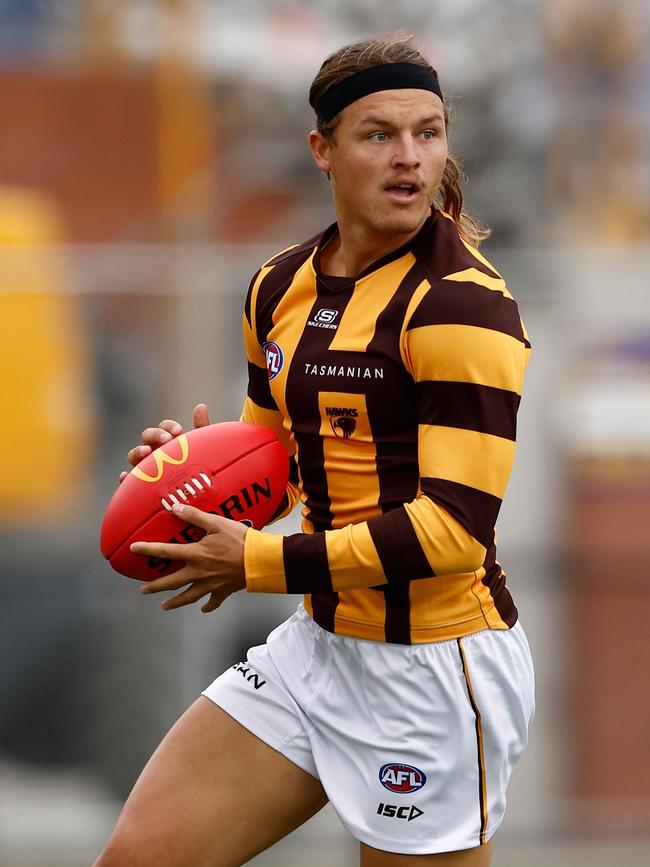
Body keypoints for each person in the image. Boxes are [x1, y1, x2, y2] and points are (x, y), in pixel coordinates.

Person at [95, 34, 534, 867]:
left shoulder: (461, 308)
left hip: (434, 672)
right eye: (378, 134)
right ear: (321, 151)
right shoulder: (278, 286)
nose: (410, 158)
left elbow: (453, 532)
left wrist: (257, 561)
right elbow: (276, 463)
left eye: (428, 132)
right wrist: (195, 476)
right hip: (318, 649)